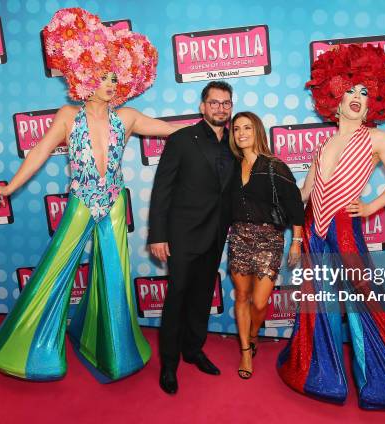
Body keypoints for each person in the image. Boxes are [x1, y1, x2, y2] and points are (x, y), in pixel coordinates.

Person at [0, 8, 179, 382]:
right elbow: (38, 151)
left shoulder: (128, 116)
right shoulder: (68, 116)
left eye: (115, 77)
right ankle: (26, 349)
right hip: (82, 199)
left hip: (114, 203)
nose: (110, 83)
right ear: (83, 76)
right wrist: (9, 188)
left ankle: (116, 352)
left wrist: (214, 127)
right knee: (56, 267)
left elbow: (171, 130)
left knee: (115, 274)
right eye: (103, 76)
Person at [276, 44, 385, 409]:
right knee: (319, 300)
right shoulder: (324, 143)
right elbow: (305, 193)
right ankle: (320, 375)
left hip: (346, 227)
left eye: (365, 92)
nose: (358, 97)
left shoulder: (377, 139)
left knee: (363, 298)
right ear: (335, 96)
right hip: (315, 228)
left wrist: (372, 206)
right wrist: (279, 208)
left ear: (376, 100)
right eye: (351, 90)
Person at [148, 81, 235, 394]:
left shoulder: (235, 143)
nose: (220, 108)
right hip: (182, 235)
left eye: (225, 103)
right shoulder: (182, 139)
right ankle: (169, 365)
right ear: (203, 106)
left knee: (201, 298)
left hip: (216, 234)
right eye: (214, 102)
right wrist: (158, 235)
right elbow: (163, 188)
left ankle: (193, 350)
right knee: (177, 300)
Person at [227, 111, 304, 379]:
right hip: (238, 237)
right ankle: (246, 351)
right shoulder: (230, 166)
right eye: (236, 129)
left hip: (269, 239)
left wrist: (296, 242)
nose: (241, 133)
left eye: (247, 128)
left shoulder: (274, 166)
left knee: (259, 303)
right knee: (242, 297)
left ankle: (252, 333)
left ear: (257, 130)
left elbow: (295, 206)